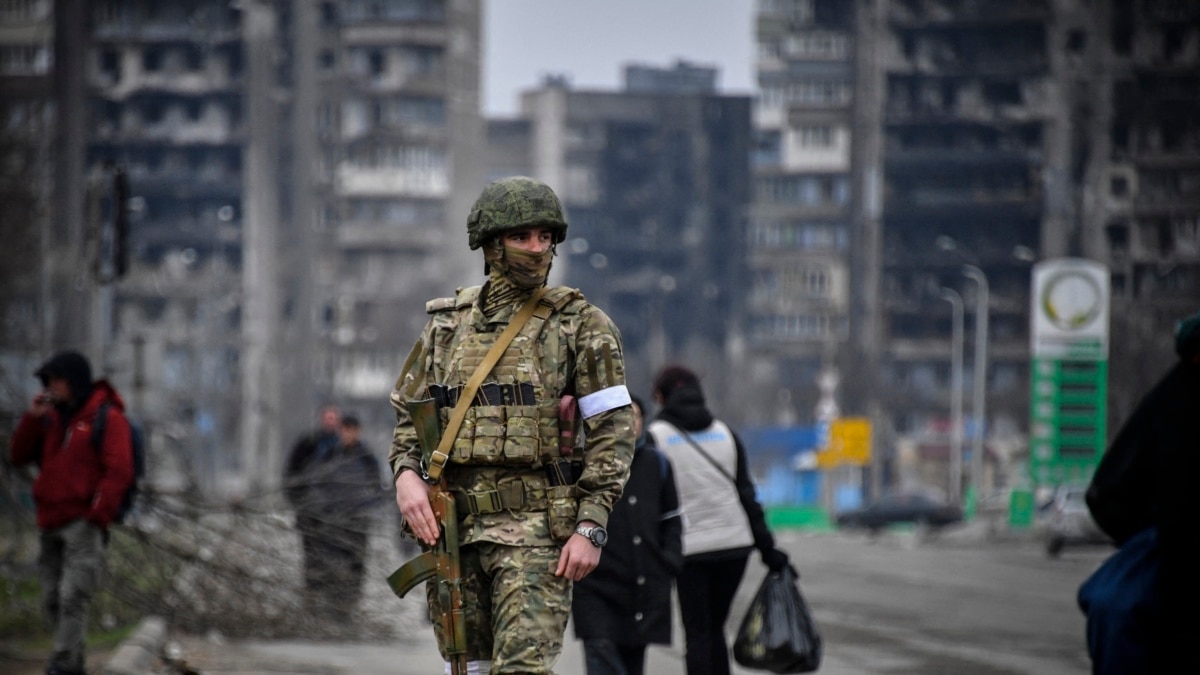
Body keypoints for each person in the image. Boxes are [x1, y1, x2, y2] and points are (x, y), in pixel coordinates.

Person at [390, 176, 634, 674]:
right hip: (455, 530)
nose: (536, 249)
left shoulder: (581, 325)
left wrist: (592, 525)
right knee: (468, 670)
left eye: (545, 238)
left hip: (539, 535)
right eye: (523, 237)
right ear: (491, 243)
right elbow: (409, 423)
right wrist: (405, 476)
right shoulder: (446, 326)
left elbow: (613, 432)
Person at [646, 365, 791, 675]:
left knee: (697, 633)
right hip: (735, 546)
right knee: (715, 629)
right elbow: (747, 497)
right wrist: (769, 551)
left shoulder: (655, 438)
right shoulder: (726, 433)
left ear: (661, 397)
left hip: (690, 549)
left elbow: (649, 501)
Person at [1080, 309, 1200, 674]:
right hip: (1169, 562)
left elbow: (1109, 492)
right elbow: (1110, 491)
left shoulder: (1174, 397)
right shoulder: (1177, 401)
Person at [9, 350, 135, 675]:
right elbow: (19, 455)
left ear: (74, 382)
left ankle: (63, 665)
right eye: (48, 381)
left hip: (83, 524)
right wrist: (33, 418)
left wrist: (98, 514)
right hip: (50, 521)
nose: (51, 387)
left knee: (72, 596)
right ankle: (73, 663)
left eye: (56, 380)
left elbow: (119, 470)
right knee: (51, 598)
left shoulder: (106, 418)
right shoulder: (50, 420)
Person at [572, 395, 683, 675]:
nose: (629, 423)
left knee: (633, 665)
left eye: (634, 416)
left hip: (641, 586)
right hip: (596, 585)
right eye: (621, 416)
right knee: (602, 656)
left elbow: (672, 519)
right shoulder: (584, 464)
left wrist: (669, 560)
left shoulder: (657, 463)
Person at [284, 405, 384, 618]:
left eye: (352, 429)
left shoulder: (366, 457)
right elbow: (314, 484)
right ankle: (327, 607)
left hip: (357, 522)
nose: (348, 434)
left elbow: (377, 488)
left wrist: (365, 511)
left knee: (355, 564)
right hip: (332, 520)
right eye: (345, 429)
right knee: (327, 564)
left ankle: (347, 608)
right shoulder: (327, 456)